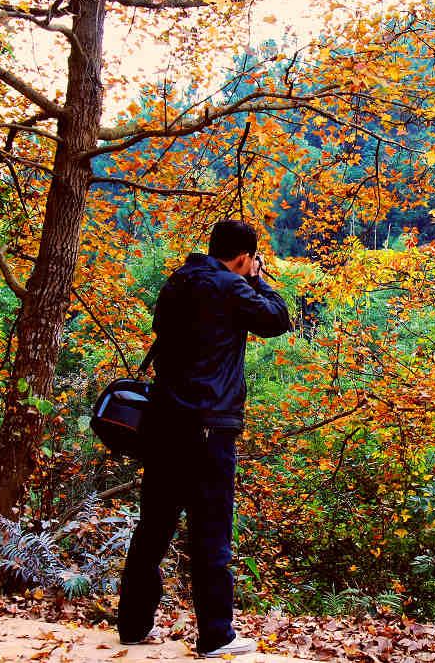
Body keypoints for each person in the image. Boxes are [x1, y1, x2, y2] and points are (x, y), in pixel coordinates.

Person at [117, 220, 291, 657]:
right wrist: (259, 281)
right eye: (250, 260)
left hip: (163, 424)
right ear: (244, 257)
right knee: (211, 532)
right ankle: (216, 635)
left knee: (153, 527)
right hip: (209, 426)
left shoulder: (178, 281)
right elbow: (277, 319)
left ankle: (133, 625)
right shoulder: (231, 287)